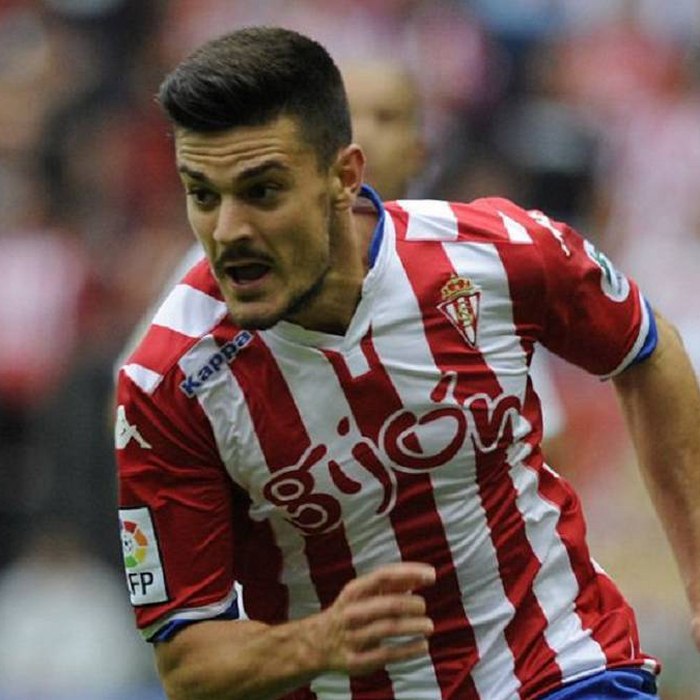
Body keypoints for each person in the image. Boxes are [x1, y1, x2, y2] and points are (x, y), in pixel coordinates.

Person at [114, 26, 700, 700]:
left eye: (263, 191)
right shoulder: (168, 382)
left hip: (560, 670)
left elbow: (646, 349)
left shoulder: (495, 255)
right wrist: (318, 642)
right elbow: (187, 663)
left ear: (344, 176)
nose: (228, 231)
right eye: (203, 195)